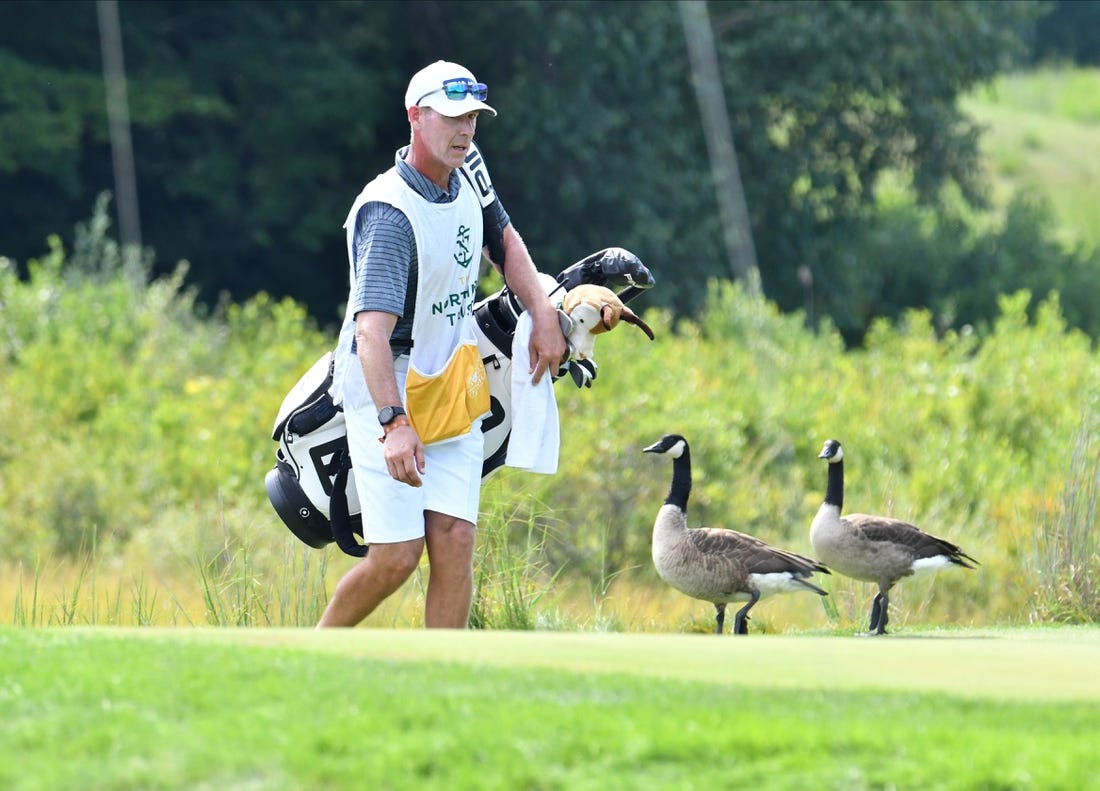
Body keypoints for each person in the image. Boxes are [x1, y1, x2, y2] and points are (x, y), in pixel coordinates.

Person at [317, 61, 566, 628]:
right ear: (414, 117)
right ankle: (315, 650)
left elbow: (503, 239)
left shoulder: (469, 167)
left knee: (454, 539)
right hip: (387, 385)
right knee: (396, 558)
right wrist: (392, 422)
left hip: (450, 379)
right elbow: (369, 333)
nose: (466, 130)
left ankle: (444, 676)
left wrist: (543, 311)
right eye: (452, 117)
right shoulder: (388, 212)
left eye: (473, 118)